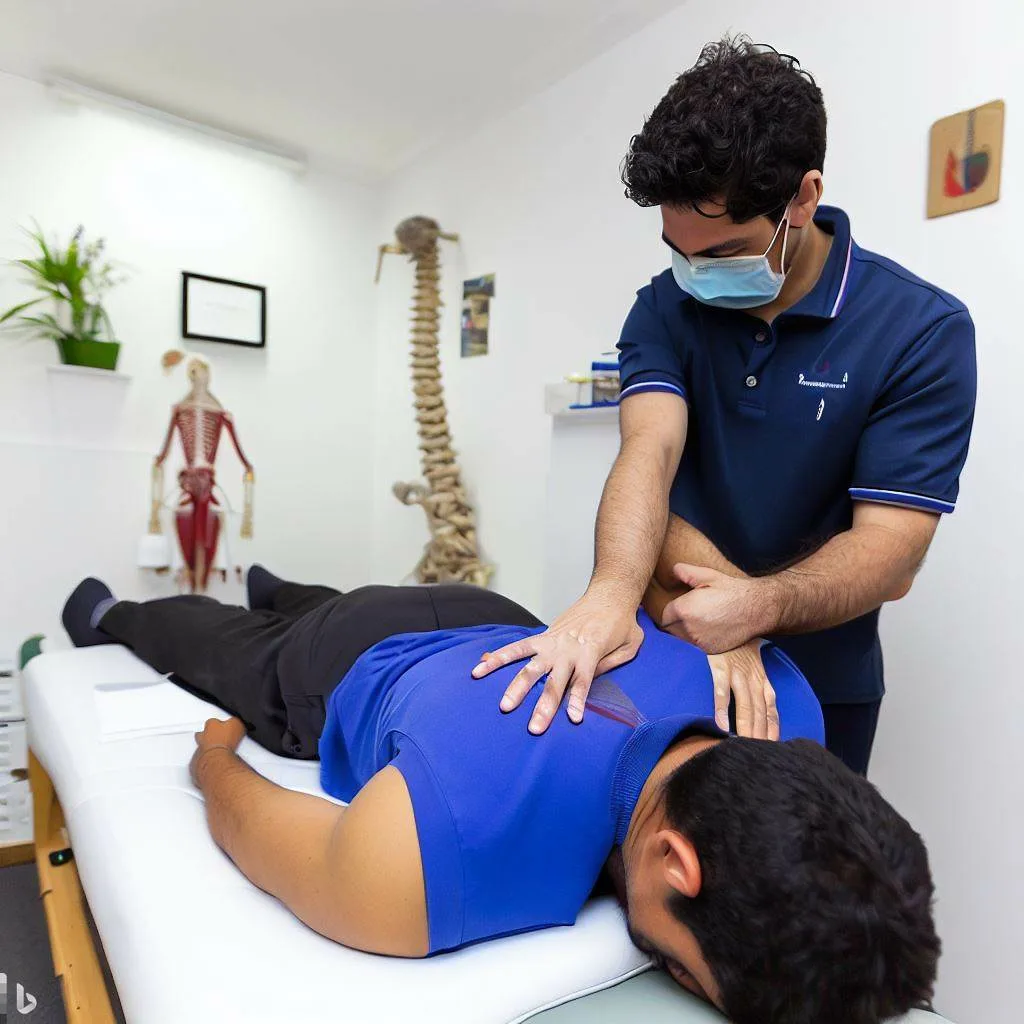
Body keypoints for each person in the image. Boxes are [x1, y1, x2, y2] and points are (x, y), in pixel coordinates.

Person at [61, 569, 939, 1024]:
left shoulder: (783, 705)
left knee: (335, 598)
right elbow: (255, 824)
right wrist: (216, 756)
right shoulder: (433, 857)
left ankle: (280, 582)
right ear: (675, 861)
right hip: (347, 664)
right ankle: (107, 614)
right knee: (233, 646)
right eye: (687, 977)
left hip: (500, 616)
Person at [474, 37, 977, 776]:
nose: (693, 275)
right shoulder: (662, 307)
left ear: (802, 198)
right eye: (679, 249)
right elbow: (649, 452)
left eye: (723, 253)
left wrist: (756, 608)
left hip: (819, 681)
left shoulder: (920, 330)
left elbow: (891, 555)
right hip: (667, 651)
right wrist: (612, 590)